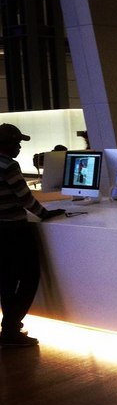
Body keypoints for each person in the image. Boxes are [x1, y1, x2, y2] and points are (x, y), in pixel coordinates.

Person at [0, 123, 65, 347]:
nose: (19, 147)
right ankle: (10, 328)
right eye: (17, 142)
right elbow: (25, 198)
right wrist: (45, 214)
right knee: (29, 277)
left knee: (7, 280)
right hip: (15, 230)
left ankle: (9, 328)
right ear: (8, 144)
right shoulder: (9, 165)